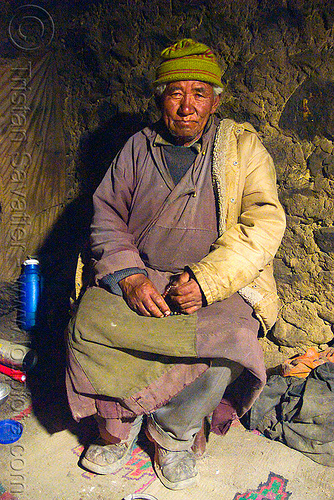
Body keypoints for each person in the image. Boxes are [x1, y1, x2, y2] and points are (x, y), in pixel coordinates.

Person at [66, 38, 286, 490]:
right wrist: (128, 276)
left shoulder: (242, 149)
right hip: (141, 278)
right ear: (159, 98)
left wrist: (207, 282)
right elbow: (106, 215)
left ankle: (173, 434)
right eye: (175, 93)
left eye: (199, 94)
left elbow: (264, 224)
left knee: (236, 341)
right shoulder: (137, 148)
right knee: (88, 326)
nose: (187, 106)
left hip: (211, 284)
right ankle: (118, 426)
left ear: (215, 102)